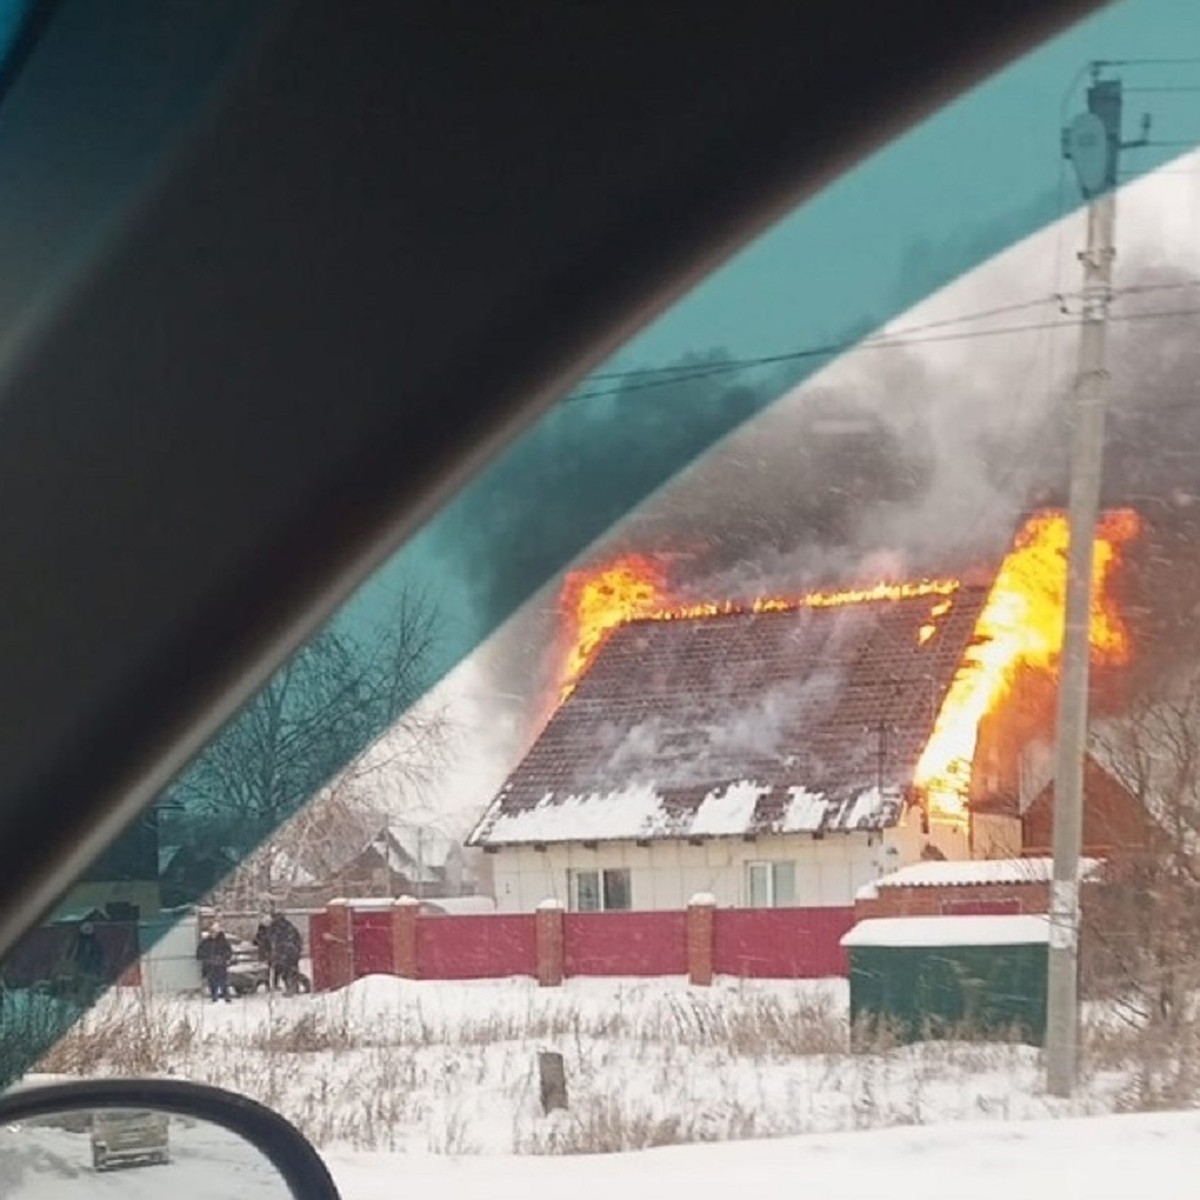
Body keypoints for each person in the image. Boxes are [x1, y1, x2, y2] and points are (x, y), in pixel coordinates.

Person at [196, 922, 233, 1002]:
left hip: (221, 966)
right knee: (212, 982)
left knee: (223, 981)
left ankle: (226, 996)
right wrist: (208, 958)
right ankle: (214, 996)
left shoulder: (223, 942)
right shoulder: (205, 942)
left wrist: (222, 958)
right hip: (210, 966)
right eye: (211, 932)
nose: (213, 934)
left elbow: (229, 952)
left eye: (214, 932)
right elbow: (199, 954)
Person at [268, 912, 302, 995]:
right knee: (293, 970)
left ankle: (290, 989)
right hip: (292, 952)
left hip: (283, 952)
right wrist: (297, 949)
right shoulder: (289, 926)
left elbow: (271, 939)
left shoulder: (275, 927)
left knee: (285, 971)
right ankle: (295, 987)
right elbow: (298, 939)